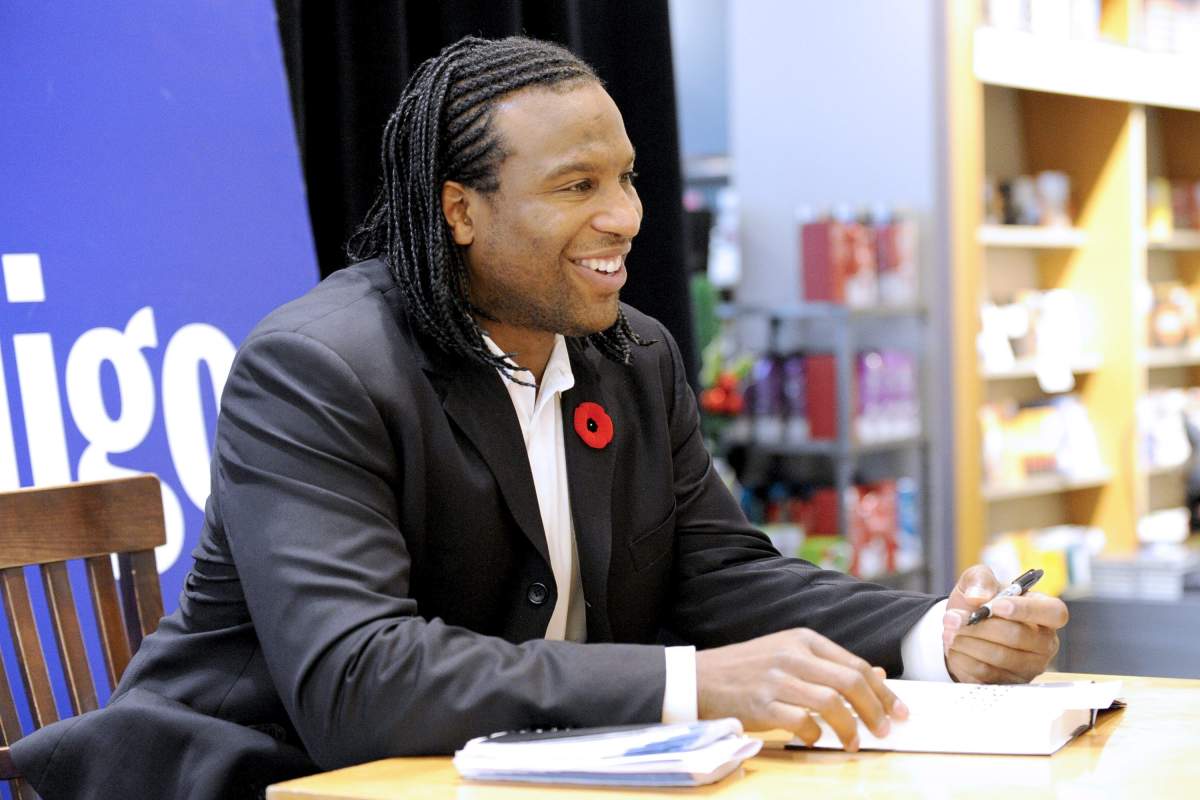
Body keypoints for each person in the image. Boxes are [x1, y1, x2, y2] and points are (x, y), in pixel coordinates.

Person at [12, 36, 1068, 800]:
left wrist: (934, 636)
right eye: (576, 185)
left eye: (627, 178)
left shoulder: (631, 354)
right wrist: (691, 682)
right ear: (459, 210)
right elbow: (357, 676)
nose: (625, 216)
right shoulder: (317, 367)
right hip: (263, 776)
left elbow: (718, 575)